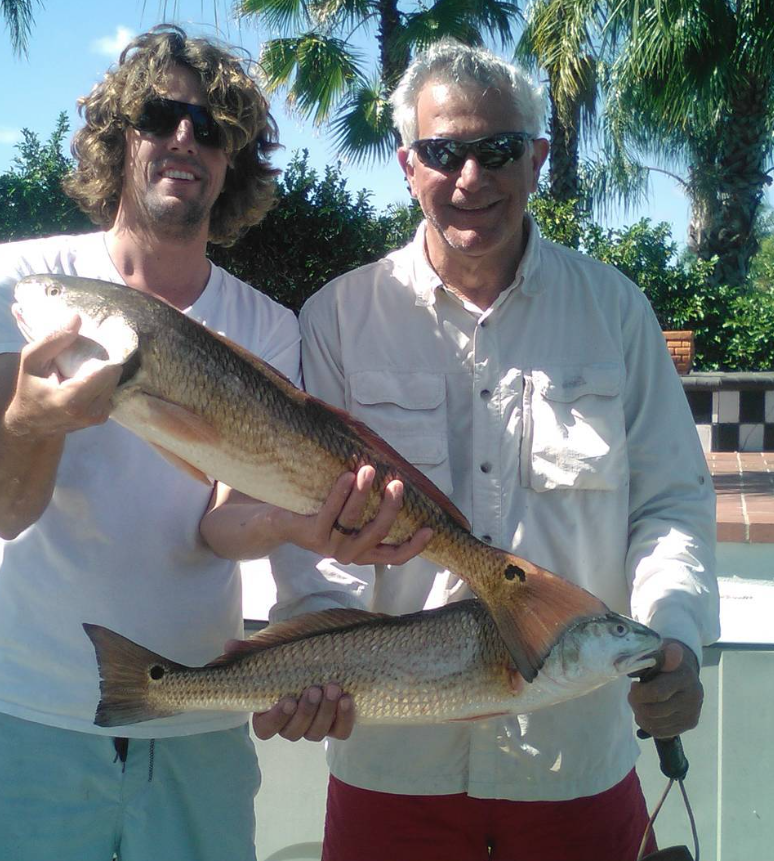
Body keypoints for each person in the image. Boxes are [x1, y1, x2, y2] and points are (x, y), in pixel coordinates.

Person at [0, 25, 424, 861]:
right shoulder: (27, 280)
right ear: (120, 137)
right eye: (159, 116)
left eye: (213, 128)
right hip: (26, 713)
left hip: (196, 720)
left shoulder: (267, 325)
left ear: (234, 162)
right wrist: (34, 420)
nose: (184, 139)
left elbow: (219, 523)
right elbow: (5, 507)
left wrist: (302, 525)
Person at [262, 40, 720, 861]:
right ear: (408, 165)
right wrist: (307, 656)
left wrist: (671, 632)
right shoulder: (336, 318)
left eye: (498, 149)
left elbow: (670, 504)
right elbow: (310, 525)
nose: (470, 177)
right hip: (388, 769)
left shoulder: (613, 312)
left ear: (537, 159)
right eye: (443, 152)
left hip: (575, 764)